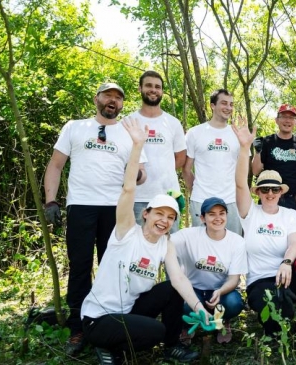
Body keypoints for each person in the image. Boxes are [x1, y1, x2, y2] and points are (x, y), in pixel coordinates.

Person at [80, 118, 205, 364]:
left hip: (129, 311)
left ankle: (172, 347)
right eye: (159, 213)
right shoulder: (127, 231)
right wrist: (138, 145)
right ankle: (106, 346)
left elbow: (179, 279)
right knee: (154, 332)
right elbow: (128, 190)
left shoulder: (164, 244)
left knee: (171, 288)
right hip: (100, 318)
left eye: (170, 217)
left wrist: (200, 309)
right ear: (145, 214)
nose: (164, 220)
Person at [43, 82, 147, 355]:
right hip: (80, 206)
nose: (113, 101)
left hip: (116, 209)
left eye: (118, 98)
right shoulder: (75, 127)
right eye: (107, 96)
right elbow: (55, 165)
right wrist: (50, 200)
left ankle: (109, 321)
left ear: (122, 104)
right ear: (96, 98)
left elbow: (142, 172)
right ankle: (78, 328)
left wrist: (135, 172)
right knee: (79, 266)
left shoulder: (129, 132)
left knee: (112, 265)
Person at [233, 117, 296, 348]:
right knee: (276, 306)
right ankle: (274, 328)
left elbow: (295, 242)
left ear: (281, 191)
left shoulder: (290, 214)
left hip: (285, 273)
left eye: (274, 189)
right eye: (264, 189)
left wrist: (287, 262)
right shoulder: (250, 212)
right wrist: (244, 149)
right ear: (258, 192)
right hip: (260, 280)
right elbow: (241, 184)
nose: (269, 193)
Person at [171, 197, 247, 344]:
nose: (217, 218)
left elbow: (234, 279)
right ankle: (187, 325)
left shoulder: (237, 242)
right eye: (212, 214)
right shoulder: (189, 235)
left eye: (221, 213)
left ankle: (223, 322)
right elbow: (165, 242)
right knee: (182, 304)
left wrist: (220, 292)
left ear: (226, 215)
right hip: (193, 289)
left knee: (234, 302)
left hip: (220, 291)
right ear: (202, 218)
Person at [130, 71, 186, 231]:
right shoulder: (129, 121)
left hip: (168, 196)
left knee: (169, 247)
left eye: (157, 87)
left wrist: (161, 171)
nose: (153, 90)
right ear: (140, 88)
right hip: (137, 198)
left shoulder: (173, 123)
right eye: (148, 85)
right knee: (140, 250)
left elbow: (180, 159)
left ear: (162, 91)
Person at [183, 89, 242, 234]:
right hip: (201, 200)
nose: (228, 108)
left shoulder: (237, 134)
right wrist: (196, 192)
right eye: (223, 103)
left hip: (231, 201)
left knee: (232, 245)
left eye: (231, 104)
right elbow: (186, 169)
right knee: (200, 247)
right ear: (212, 105)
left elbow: (242, 170)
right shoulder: (195, 133)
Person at [252, 104, 296, 215]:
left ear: (295, 122)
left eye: (291, 118)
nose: (287, 120)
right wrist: (258, 152)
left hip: (293, 200)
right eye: (284, 116)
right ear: (277, 120)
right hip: (269, 197)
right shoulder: (267, 141)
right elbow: (256, 171)